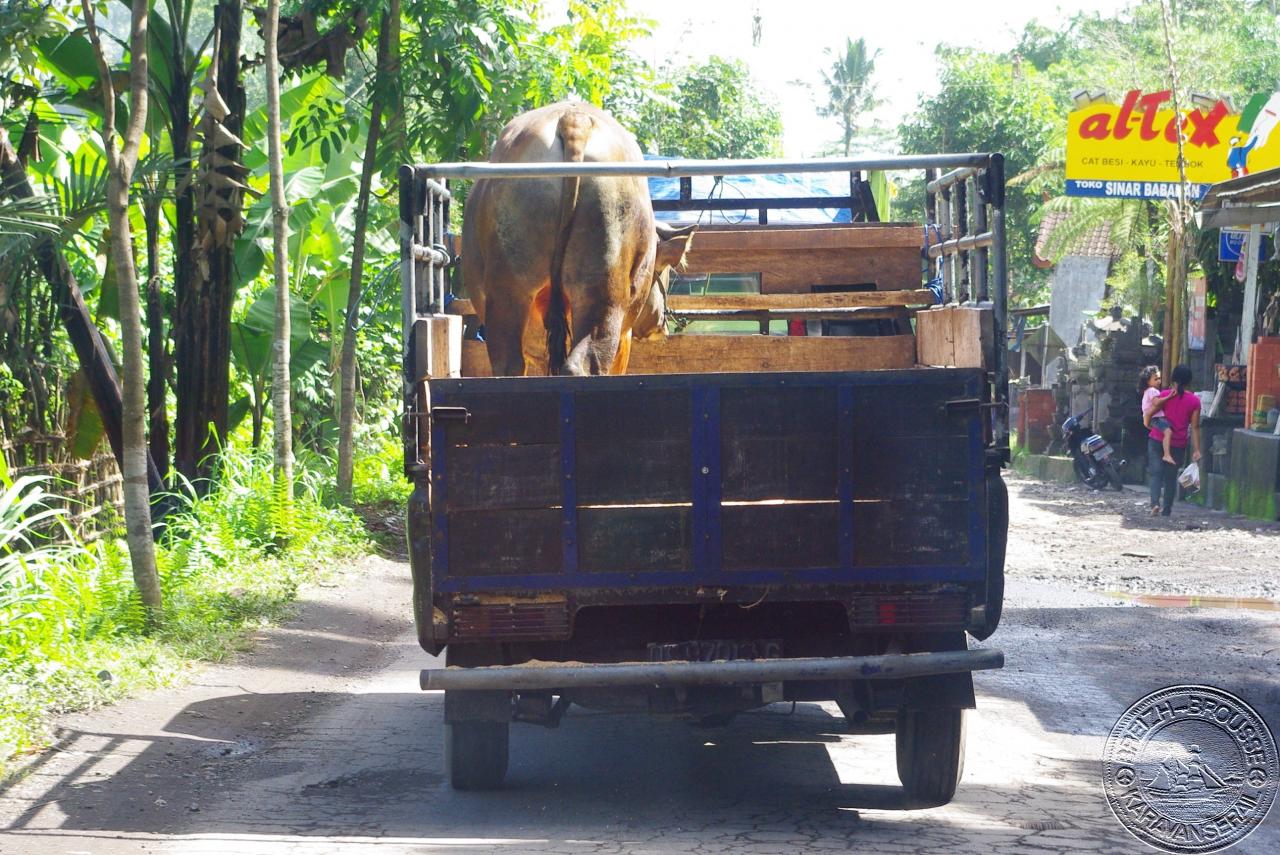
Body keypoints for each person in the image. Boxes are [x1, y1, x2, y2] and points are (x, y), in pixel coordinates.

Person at [1147, 364, 1203, 516]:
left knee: (1156, 473)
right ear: (1189, 381)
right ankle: (1167, 509)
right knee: (1170, 477)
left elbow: (1150, 413)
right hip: (1178, 444)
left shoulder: (1164, 395)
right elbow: (1195, 426)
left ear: (1173, 380)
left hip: (1157, 439)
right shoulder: (1194, 401)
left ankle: (1154, 504)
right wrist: (1197, 449)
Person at [1138, 366, 1175, 465]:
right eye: (1156, 379)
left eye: (1159, 378)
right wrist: (1169, 396)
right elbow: (1157, 403)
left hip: (1151, 419)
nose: (1159, 381)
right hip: (1156, 418)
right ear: (1147, 381)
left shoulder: (1148, 391)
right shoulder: (1152, 391)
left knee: (1166, 431)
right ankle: (1167, 454)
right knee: (1168, 432)